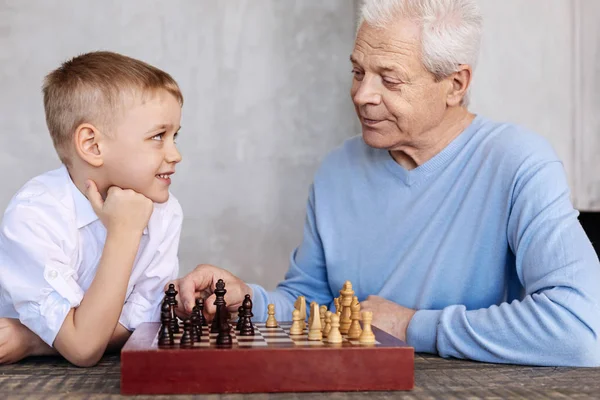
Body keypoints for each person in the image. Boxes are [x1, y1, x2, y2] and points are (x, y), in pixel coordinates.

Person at [172, 0, 600, 366]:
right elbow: (312, 304)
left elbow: (578, 331)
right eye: (358, 72)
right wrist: (248, 298)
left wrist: (411, 325)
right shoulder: (337, 169)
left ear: (455, 84)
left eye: (389, 80)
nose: (362, 95)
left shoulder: (520, 162)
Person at [0, 51, 183, 366]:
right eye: (158, 137)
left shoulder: (164, 211)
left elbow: (140, 325)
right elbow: (84, 350)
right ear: (93, 146)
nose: (176, 154)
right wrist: (124, 232)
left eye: (175, 136)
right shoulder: (34, 216)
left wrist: (33, 340)